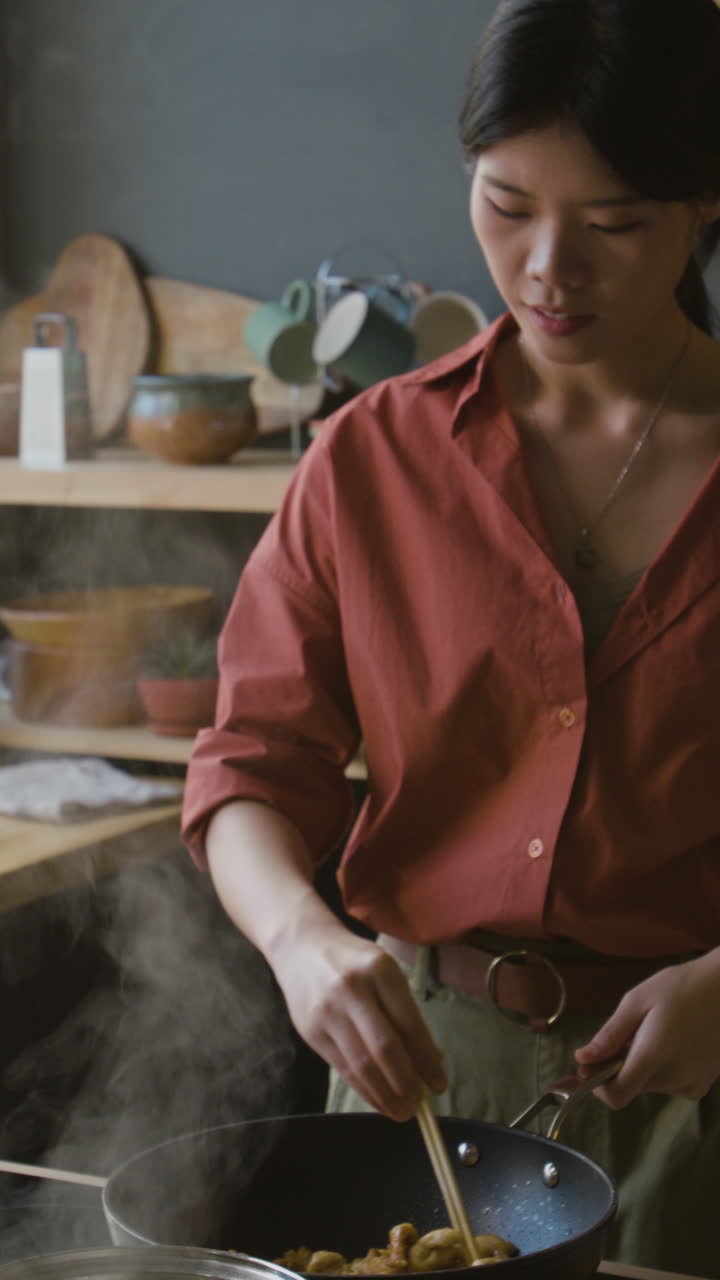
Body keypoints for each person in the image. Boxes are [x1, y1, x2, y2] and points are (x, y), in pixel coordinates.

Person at [182, 0, 720, 1271]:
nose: (545, 269)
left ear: (705, 201)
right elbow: (250, 767)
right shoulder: (372, 457)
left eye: (614, 224)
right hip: (425, 1075)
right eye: (504, 203)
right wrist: (303, 939)